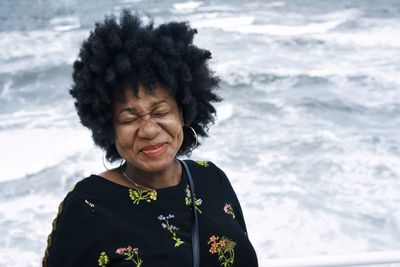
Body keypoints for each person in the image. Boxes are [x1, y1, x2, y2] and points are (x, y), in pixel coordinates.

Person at [42, 9, 258, 267]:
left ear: (184, 111)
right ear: (108, 127)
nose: (148, 130)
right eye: (129, 119)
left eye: (161, 112)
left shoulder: (212, 179)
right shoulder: (87, 206)